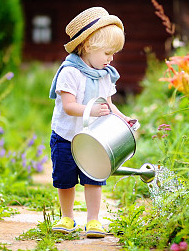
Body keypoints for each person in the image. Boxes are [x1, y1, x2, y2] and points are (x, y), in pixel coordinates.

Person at [49, 7, 135, 238]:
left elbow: (108, 104)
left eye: (114, 53)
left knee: (94, 178)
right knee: (65, 180)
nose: (111, 58)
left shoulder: (105, 74)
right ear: (88, 46)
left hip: (93, 139)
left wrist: (122, 118)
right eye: (108, 52)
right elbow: (68, 106)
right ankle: (67, 217)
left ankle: (94, 220)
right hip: (66, 136)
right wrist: (91, 110)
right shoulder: (70, 72)